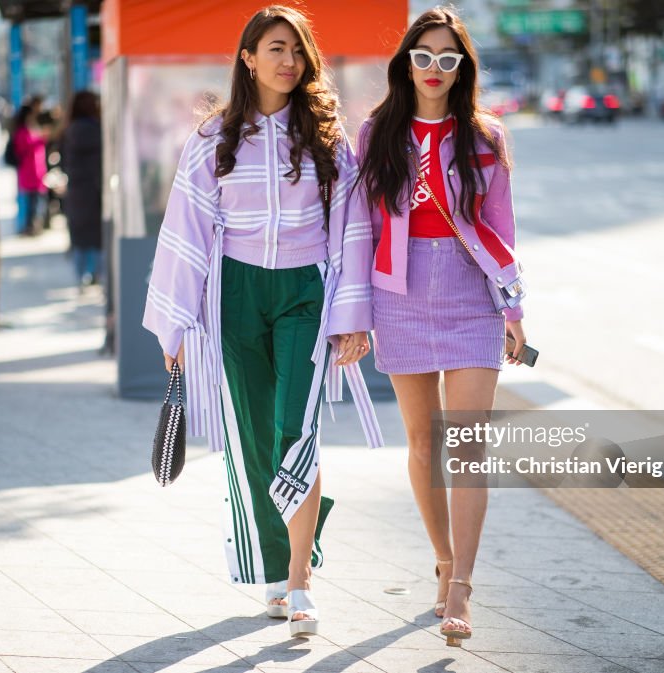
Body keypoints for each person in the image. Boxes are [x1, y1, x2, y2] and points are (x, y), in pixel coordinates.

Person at [142, 5, 382, 638]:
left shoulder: (327, 139)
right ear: (248, 57)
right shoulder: (214, 138)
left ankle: (302, 581)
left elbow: (353, 229)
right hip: (236, 294)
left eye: (297, 51)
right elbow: (185, 229)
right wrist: (175, 329)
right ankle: (277, 571)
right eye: (276, 48)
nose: (288, 61)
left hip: (306, 291)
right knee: (252, 437)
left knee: (294, 431)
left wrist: (353, 315)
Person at [356, 7, 527, 647]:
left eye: (447, 59)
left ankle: (461, 591)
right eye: (423, 56)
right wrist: (353, 313)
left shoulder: (486, 136)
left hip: (470, 293)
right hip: (397, 292)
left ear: (463, 69)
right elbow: (358, 228)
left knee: (466, 448)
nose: (434, 69)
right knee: (425, 448)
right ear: (406, 63)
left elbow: (502, 227)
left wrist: (512, 309)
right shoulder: (377, 134)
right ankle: (443, 558)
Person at [60, 91, 102, 288]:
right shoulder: (98, 130)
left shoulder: (68, 131)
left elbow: (61, 161)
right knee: (96, 235)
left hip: (76, 189)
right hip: (95, 189)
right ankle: (94, 274)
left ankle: (80, 275)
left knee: (79, 234)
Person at [11, 98, 47, 236]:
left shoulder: (30, 130)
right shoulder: (23, 132)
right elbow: (25, 148)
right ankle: (31, 227)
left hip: (35, 172)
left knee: (36, 202)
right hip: (30, 172)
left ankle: (33, 226)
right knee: (34, 202)